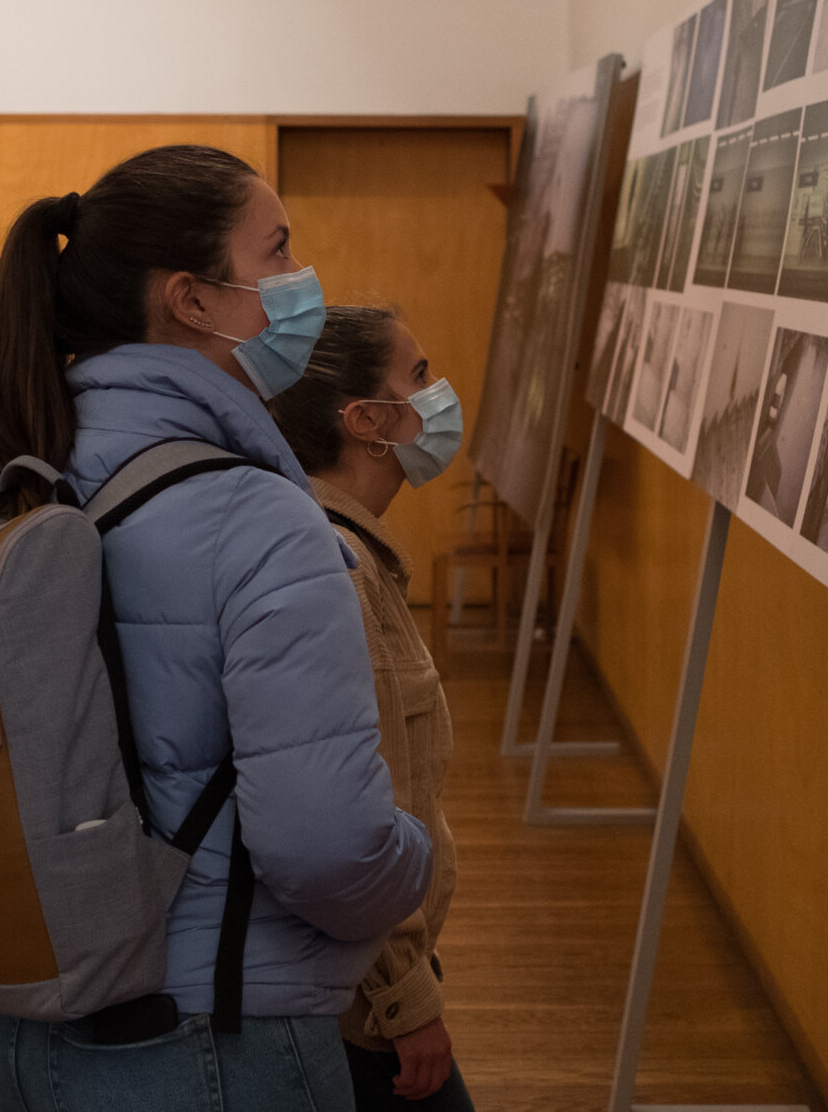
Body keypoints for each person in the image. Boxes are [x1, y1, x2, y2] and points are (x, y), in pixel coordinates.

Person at [0, 146, 433, 1110]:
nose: (301, 282)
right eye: (278, 251)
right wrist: (413, 850)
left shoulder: (14, 472)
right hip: (211, 1040)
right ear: (194, 299)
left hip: (20, 1034)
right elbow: (326, 846)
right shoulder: (261, 518)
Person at [270, 307, 473, 1112]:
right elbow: (357, 820)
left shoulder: (347, 550)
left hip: (374, 983)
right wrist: (407, 1001)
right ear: (366, 421)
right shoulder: (340, 572)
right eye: (418, 376)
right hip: (366, 1003)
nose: (438, 392)